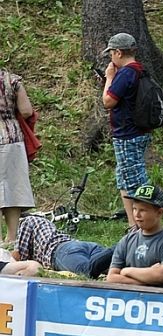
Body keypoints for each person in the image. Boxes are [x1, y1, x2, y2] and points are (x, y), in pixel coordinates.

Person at [102, 33, 152, 228]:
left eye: (111, 54)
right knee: (124, 177)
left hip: (127, 134)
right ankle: (133, 225)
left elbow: (108, 101)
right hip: (138, 131)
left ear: (118, 52)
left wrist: (109, 78)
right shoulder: (139, 70)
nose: (111, 58)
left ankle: (146, 224)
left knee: (135, 180)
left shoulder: (125, 73)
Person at [107, 185, 163, 289]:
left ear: (159, 212)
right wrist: (147, 280)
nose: (137, 215)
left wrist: (127, 271)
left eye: (143, 210)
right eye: (134, 209)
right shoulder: (127, 241)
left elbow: (161, 275)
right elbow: (112, 277)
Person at [11, 215, 114, 279]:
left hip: (61, 251)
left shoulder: (26, 221)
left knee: (86, 271)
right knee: (111, 269)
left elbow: (20, 256)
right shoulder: (45, 223)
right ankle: (117, 251)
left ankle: (118, 247)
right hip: (81, 245)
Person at [0, 68, 35, 246]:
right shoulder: (11, 80)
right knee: (12, 189)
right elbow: (27, 110)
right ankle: (12, 237)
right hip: (12, 138)